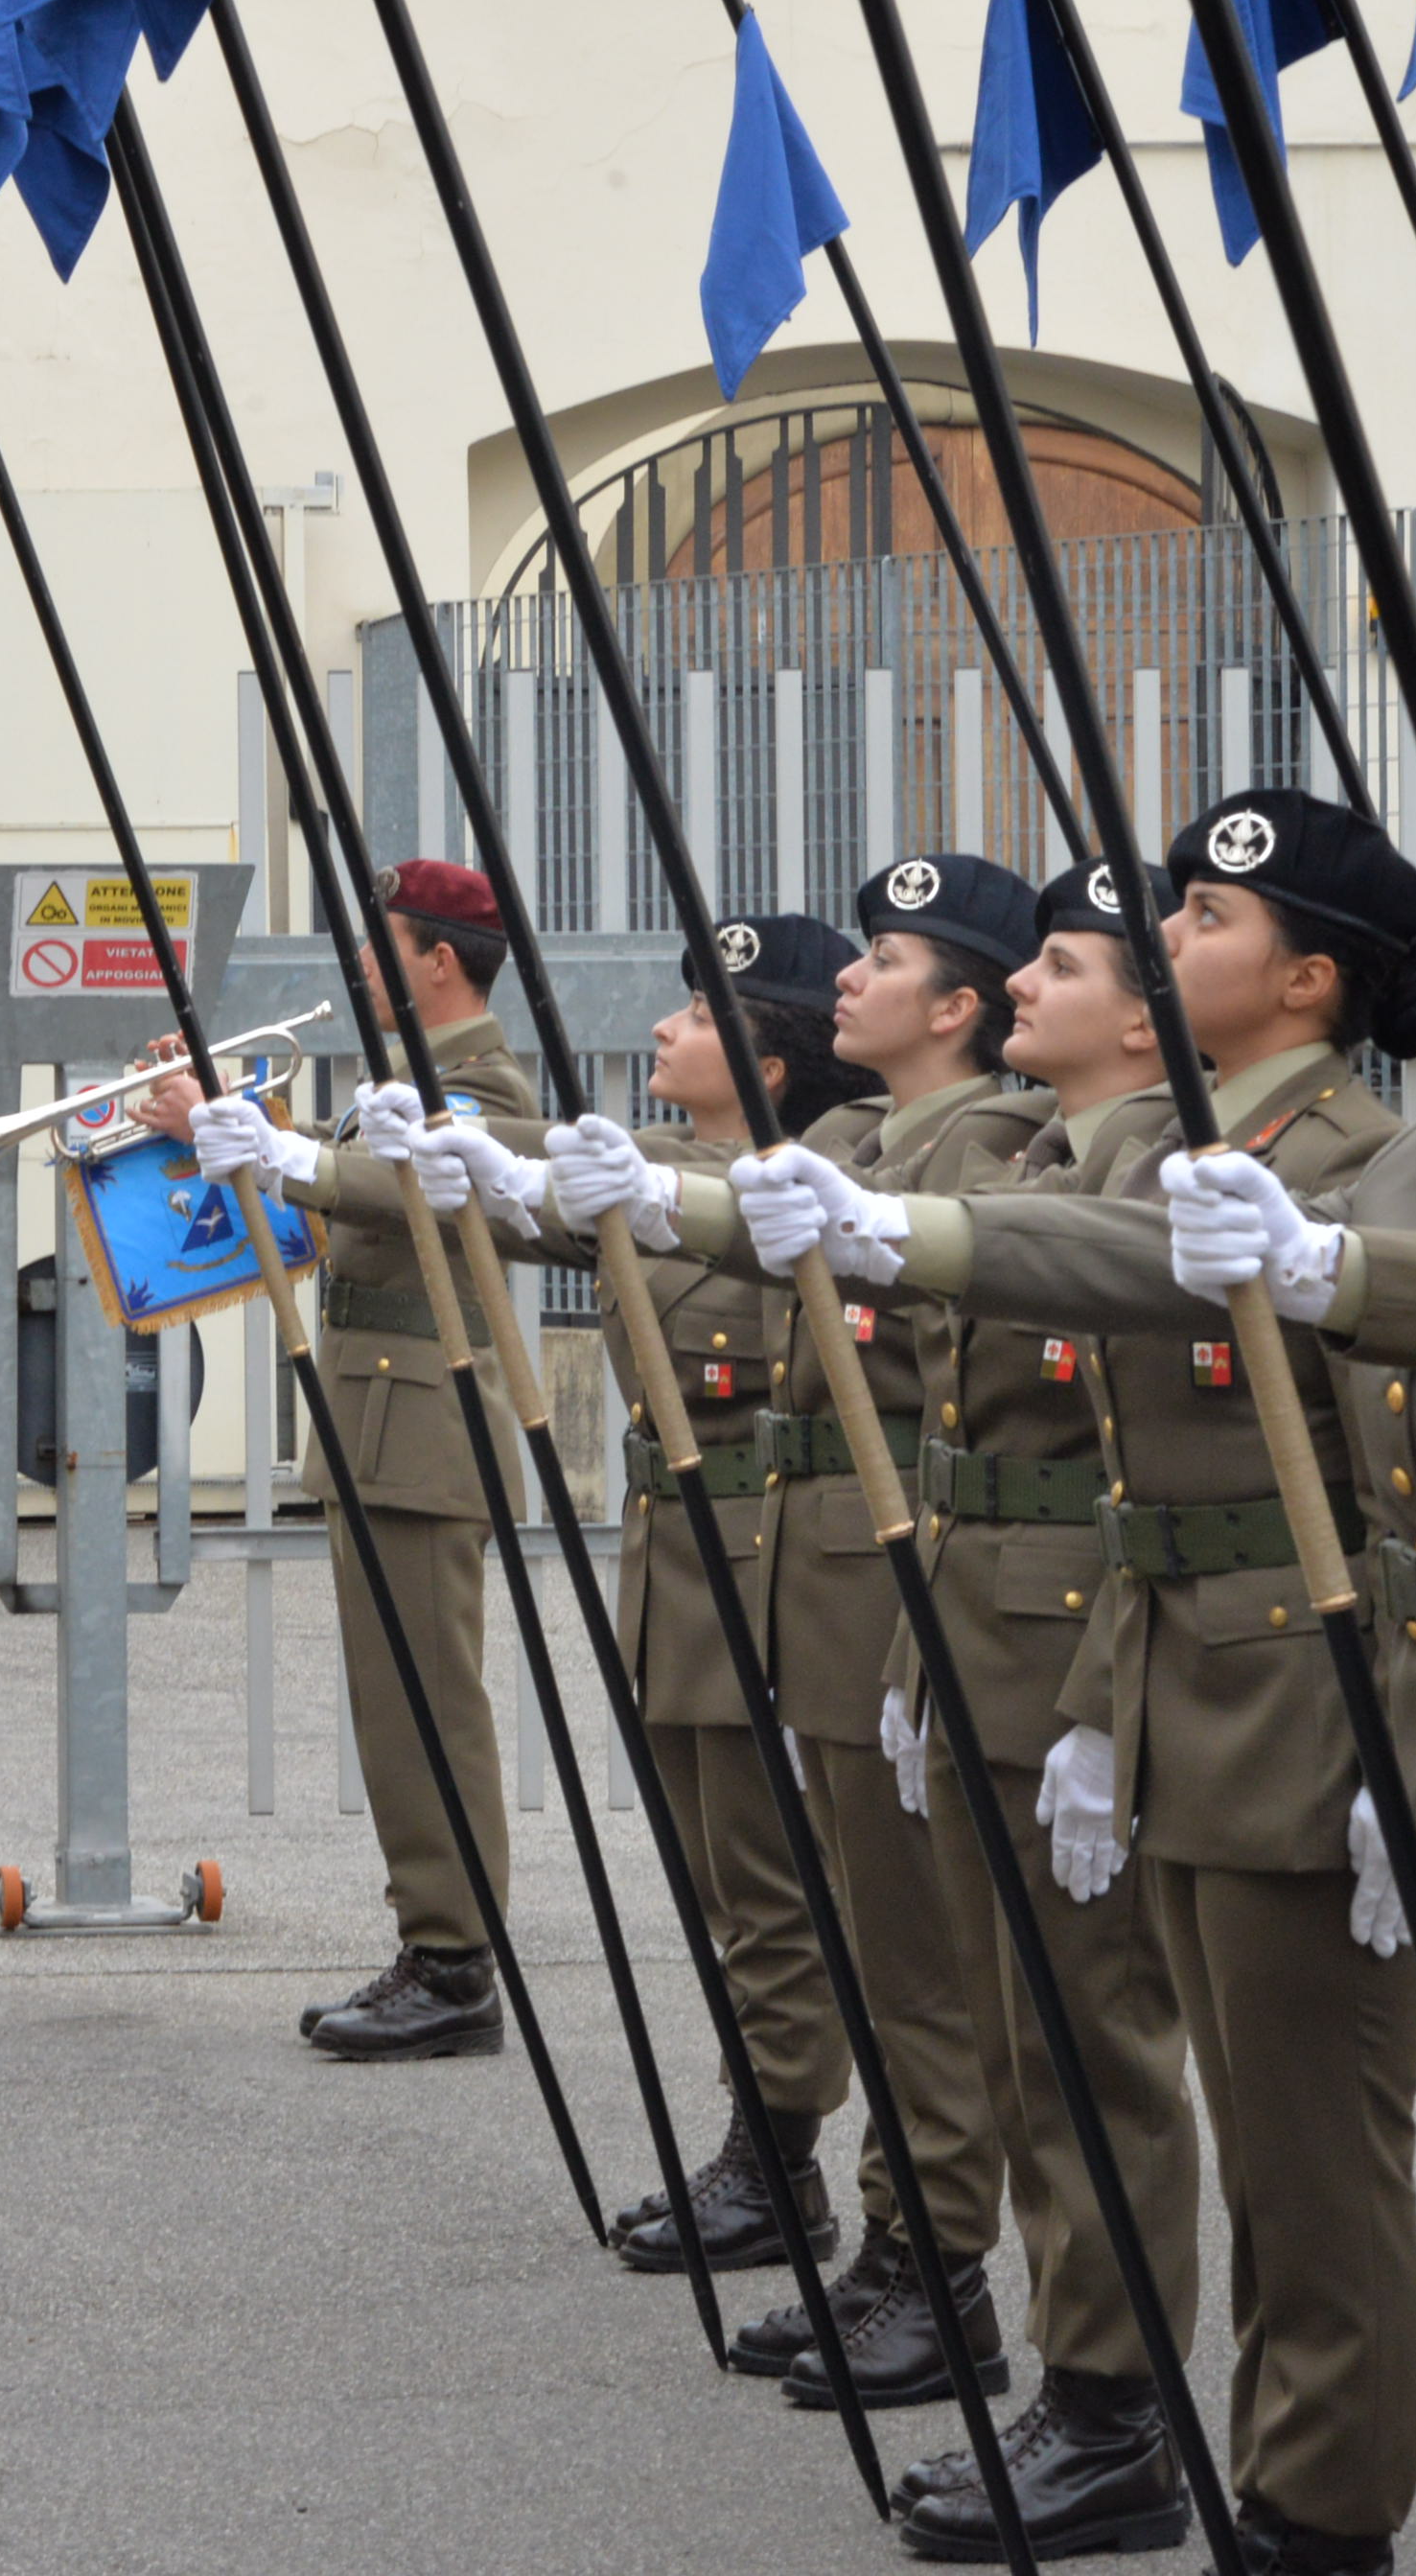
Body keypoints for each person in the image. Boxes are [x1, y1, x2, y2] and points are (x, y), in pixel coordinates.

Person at [735, 791, 1416, 2570]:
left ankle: (1293, 2494)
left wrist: (906, 1237)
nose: (1167, 936)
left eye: (1201, 920)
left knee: (1294, 2142)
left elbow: (1137, 1291)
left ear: (1304, 978)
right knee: (1080, 2058)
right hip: (1142, 1646)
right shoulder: (1177, 1144)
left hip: (1299, 1680)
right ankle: (1133, 2415)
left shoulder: (1355, 1159)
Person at [602, 852, 1041, 2417]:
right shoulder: (854, 1138)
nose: (852, 977)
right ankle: (888, 2238)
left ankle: (933, 2263)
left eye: (889, 958)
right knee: (857, 1935)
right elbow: (709, 1202)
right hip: (815, 1561)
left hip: (888, 1567)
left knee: (912, 1960)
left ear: (960, 1005)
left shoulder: (991, 1145)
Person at [407, 917, 876, 2280]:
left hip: (766, 1561)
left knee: (774, 1886)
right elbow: (532, 1174)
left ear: (771, 1068)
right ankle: (762, 2146)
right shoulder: (658, 1163)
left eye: (702, 1014)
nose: (666, 1028)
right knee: (720, 1878)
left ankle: (780, 2158)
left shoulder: (795, 1189)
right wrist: (348, 1156)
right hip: (673, 1558)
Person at [174, 859, 535, 2061]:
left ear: (441, 960)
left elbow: (409, 1187)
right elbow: (342, 1210)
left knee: (431, 1706)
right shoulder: (396, 1085)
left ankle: (455, 1960)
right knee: (394, 1708)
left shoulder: (483, 1086)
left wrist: (282, 1153)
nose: (364, 967)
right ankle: (434, 1943)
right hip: (378, 1429)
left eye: (384, 947)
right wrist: (221, 1126)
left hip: (425, 1434)